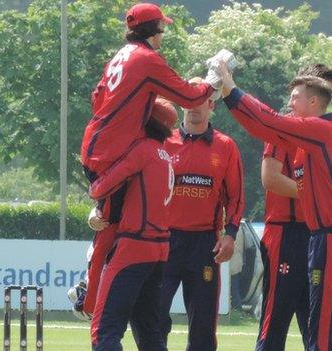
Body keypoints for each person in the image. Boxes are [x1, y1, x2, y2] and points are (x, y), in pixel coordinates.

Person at [76, 2, 217, 317]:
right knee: (110, 229)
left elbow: (97, 98)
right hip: (110, 155)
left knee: (108, 221)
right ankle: (90, 298)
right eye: (162, 28)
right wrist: (213, 80)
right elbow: (191, 96)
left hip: (96, 146)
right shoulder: (147, 59)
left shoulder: (119, 57)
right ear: (157, 30)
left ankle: (93, 287)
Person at [218, 63, 332, 351]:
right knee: (325, 329)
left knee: (325, 332)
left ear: (314, 101)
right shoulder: (311, 134)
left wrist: (232, 88)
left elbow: (269, 120)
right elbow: (261, 126)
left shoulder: (319, 130)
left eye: (295, 97)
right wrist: (227, 94)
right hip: (324, 238)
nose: (290, 103)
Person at [256, 63, 332, 351]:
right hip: (286, 233)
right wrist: (314, 196)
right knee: (275, 317)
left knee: (314, 321)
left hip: (318, 233)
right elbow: (270, 178)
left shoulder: (329, 131)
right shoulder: (283, 130)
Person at [159, 77, 244, 350]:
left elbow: (236, 196)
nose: (194, 106)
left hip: (204, 244)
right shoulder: (163, 141)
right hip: (164, 241)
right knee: (153, 314)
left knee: (204, 326)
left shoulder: (226, 146)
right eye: (189, 99)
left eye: (201, 100)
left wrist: (230, 234)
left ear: (211, 104)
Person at [87, 101, 178, 350]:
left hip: (134, 245)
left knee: (104, 330)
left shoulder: (142, 150)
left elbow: (108, 182)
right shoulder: (165, 154)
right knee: (149, 332)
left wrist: (94, 190)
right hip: (159, 250)